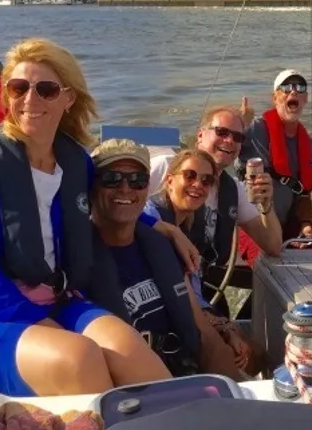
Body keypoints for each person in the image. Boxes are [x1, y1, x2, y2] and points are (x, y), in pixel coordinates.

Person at [0, 38, 171, 396]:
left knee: (132, 350)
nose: (30, 99)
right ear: (7, 95)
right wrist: (44, 325)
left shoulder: (75, 164)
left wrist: (161, 226)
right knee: (78, 358)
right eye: (19, 88)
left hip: (59, 299)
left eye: (46, 89)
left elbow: (110, 204)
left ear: (68, 98)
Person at [87, 139, 247, 380]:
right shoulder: (75, 259)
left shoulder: (164, 248)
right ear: (91, 187)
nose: (126, 189)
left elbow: (205, 336)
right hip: (134, 389)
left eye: (138, 180)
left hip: (187, 375)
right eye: (112, 179)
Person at [150, 148, 265, 376]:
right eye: (189, 175)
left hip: (192, 305)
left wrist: (224, 325)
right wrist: (221, 329)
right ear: (169, 181)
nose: (198, 185)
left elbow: (193, 290)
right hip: (166, 316)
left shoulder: (190, 223)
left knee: (257, 355)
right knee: (230, 354)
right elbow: (130, 215)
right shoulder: (152, 216)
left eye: (207, 180)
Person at [146, 105, 282, 281]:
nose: (229, 140)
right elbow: (119, 210)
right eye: (221, 132)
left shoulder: (234, 190)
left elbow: (273, 247)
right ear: (200, 135)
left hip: (201, 282)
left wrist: (266, 204)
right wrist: (170, 230)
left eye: (238, 137)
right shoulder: (167, 167)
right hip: (155, 278)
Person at [235, 69, 312, 266]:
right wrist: (240, 123)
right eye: (286, 87)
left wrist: (306, 224)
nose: (293, 91)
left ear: (305, 99)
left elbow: (304, 193)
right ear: (275, 97)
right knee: (268, 266)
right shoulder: (253, 129)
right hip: (251, 224)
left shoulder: (309, 145)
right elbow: (221, 151)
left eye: (300, 88)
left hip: (286, 224)